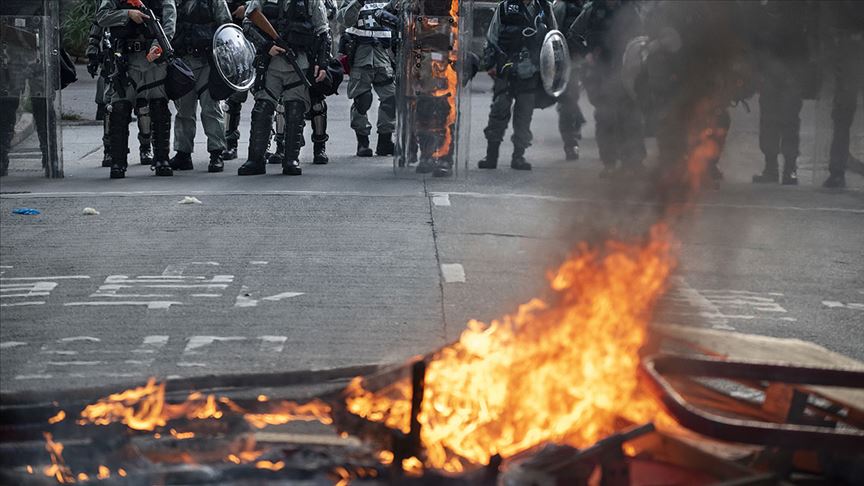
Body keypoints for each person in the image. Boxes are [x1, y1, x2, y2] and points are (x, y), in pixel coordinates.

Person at [238, 0, 331, 176]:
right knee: (263, 107)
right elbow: (248, 24)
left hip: (299, 61)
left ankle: (291, 159)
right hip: (270, 63)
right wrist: (267, 46)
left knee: (295, 109)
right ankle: (255, 160)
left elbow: (322, 32)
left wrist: (322, 63)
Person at [97, 0, 176, 179]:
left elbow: (170, 20)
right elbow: (102, 17)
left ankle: (161, 159)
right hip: (126, 60)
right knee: (119, 109)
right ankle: (118, 162)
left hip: (154, 60)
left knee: (159, 107)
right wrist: (127, 14)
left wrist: (159, 45)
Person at [477, 0, 558, 171]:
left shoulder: (544, 8)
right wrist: (490, 63)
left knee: (524, 115)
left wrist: (551, 69)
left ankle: (518, 156)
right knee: (499, 110)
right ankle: (491, 156)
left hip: (531, 71)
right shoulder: (505, 8)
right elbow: (492, 37)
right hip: (505, 68)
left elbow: (553, 40)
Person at [571, 0, 644, 178]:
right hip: (600, 74)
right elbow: (573, 34)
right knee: (605, 118)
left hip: (624, 73)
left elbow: (641, 39)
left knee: (630, 118)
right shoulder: (592, 10)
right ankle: (609, 163)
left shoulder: (630, 9)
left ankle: (633, 162)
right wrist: (586, 52)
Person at [750, 1, 813, 186]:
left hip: (788, 69)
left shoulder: (793, 11)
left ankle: (785, 169)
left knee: (785, 120)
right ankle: (778, 169)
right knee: (776, 120)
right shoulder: (769, 11)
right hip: (778, 70)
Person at [169, 0, 233, 173]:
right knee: (184, 110)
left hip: (207, 62)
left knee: (211, 108)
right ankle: (183, 153)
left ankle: (216, 153)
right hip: (183, 63)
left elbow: (226, 27)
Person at [0, 1, 62, 178]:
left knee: (42, 104)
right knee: (7, 103)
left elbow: (55, 10)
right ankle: (2, 157)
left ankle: (51, 158)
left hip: (40, 42)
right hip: (10, 45)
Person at [337, 0, 397, 157]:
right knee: (362, 99)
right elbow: (344, 19)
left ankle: (385, 141)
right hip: (360, 56)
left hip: (383, 55)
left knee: (391, 99)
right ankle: (362, 142)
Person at [823, 0, 864, 189]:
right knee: (842, 118)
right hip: (848, 60)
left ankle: (838, 170)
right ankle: (838, 169)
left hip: (849, 58)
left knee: (842, 118)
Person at [553, 0, 586, 161]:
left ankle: (577, 122)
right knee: (567, 101)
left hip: (584, 61)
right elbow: (553, 33)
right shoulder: (561, 7)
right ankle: (570, 143)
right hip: (566, 61)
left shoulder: (588, 8)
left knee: (573, 98)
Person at [223, 0, 248, 161]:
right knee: (233, 98)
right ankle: (230, 143)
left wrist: (247, 9)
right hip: (231, 41)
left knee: (269, 99)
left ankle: (276, 144)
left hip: (261, 37)